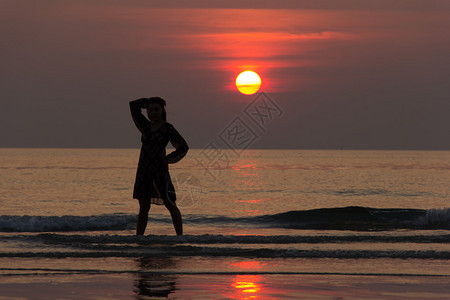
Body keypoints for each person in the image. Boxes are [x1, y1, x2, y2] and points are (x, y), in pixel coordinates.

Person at [129, 97, 189, 235]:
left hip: (159, 170)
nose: (153, 112)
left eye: (156, 109)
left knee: (170, 203)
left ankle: (180, 237)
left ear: (162, 110)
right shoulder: (145, 126)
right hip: (144, 170)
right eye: (150, 110)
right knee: (144, 207)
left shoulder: (167, 128)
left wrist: (167, 159)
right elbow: (133, 106)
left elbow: (183, 146)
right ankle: (139, 238)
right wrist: (148, 101)